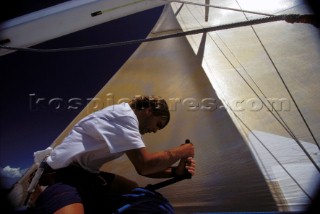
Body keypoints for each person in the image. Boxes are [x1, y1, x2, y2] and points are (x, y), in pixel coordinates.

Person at [30, 95, 195, 214]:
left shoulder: (124, 120)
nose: (154, 131)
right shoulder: (125, 117)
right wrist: (183, 150)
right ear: (149, 110)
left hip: (86, 174)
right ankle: (44, 196)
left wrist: (175, 172)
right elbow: (145, 166)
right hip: (62, 175)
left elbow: (143, 168)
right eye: (158, 125)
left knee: (131, 188)